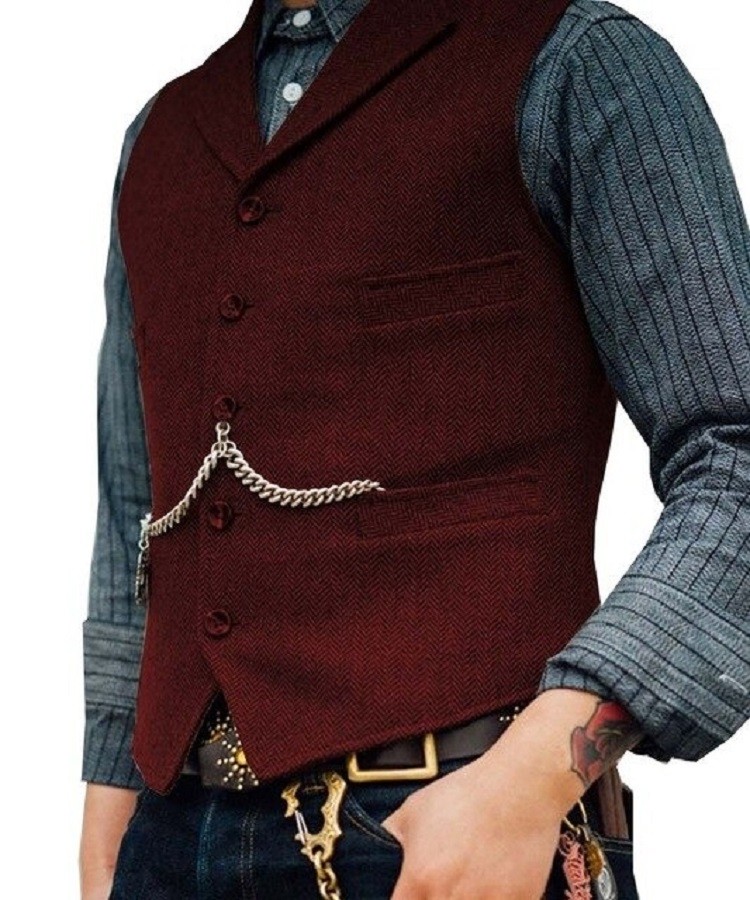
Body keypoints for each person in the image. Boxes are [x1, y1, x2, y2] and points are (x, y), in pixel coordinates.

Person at [78, 1, 750, 898]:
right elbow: (142, 513)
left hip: (459, 834)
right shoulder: (159, 137)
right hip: (168, 841)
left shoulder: (575, 64)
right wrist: (108, 812)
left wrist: (535, 778)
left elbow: (735, 457)